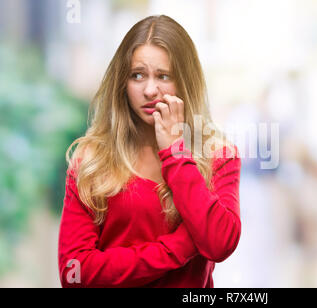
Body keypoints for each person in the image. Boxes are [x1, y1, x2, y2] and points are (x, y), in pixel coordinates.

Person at [58, 15, 241, 288]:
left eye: (163, 76)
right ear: (123, 82)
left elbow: (220, 243)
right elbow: (74, 273)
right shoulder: (92, 159)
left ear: (185, 82)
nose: (150, 90)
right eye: (137, 75)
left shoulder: (217, 155)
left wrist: (175, 152)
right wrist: (178, 247)